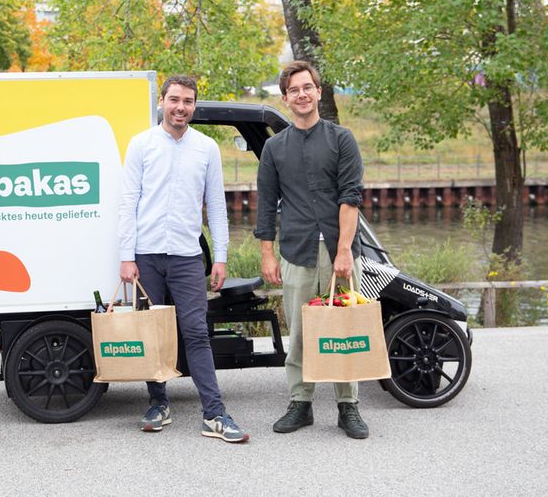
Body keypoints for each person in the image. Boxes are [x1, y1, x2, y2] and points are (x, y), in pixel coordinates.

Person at [117, 75, 249, 443]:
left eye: (188, 101)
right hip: (146, 256)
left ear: (194, 106)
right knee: (151, 334)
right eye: (174, 99)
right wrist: (126, 257)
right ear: (161, 102)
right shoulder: (141, 144)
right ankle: (158, 404)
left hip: (188, 257)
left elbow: (217, 208)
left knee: (196, 333)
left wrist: (219, 257)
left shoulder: (206, 149)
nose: (181, 107)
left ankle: (215, 413)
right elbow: (128, 203)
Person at [254, 61, 370, 439]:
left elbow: (350, 197)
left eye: (308, 88)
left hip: (338, 252)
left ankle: (348, 406)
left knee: (343, 328)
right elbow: (267, 203)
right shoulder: (274, 147)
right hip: (296, 250)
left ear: (318, 92)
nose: (301, 95)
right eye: (293, 90)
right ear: (285, 98)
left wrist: (343, 249)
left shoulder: (341, 139)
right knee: (302, 331)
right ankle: (300, 403)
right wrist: (268, 255)